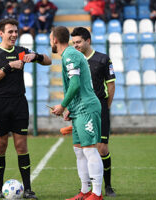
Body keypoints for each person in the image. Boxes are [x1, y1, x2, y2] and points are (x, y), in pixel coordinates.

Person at [0, 18, 51, 199]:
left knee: (21, 146)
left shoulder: (21, 51)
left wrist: (35, 56)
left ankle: (28, 189)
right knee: (0, 145)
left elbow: (48, 60)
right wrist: (8, 66)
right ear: (1, 33)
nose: (14, 35)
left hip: (19, 104)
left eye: (16, 31)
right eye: (10, 32)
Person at [50, 26, 104, 200]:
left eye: (50, 38)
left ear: (55, 40)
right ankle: (85, 191)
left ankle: (97, 193)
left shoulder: (70, 55)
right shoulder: (69, 55)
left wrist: (63, 105)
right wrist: (70, 109)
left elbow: (75, 85)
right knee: (79, 151)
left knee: (89, 151)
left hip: (87, 108)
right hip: (79, 109)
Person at [71, 27, 116, 197]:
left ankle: (108, 186)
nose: (76, 45)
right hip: (82, 110)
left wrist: (106, 106)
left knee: (102, 148)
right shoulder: (74, 61)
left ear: (87, 41)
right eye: (73, 42)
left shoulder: (103, 59)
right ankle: (87, 189)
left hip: (99, 108)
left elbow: (111, 85)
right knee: (85, 149)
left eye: (78, 42)